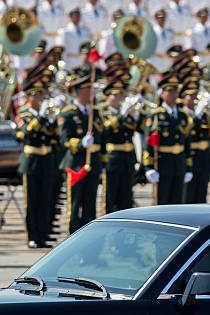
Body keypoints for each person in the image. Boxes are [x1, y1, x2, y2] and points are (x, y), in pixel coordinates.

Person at [58, 67, 103, 233]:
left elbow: (102, 137)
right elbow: (64, 140)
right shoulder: (69, 113)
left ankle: (89, 235)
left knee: (90, 202)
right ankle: (73, 234)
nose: (90, 93)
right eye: (86, 90)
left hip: (93, 163)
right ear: (78, 92)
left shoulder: (95, 113)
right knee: (75, 203)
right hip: (76, 164)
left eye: (91, 89)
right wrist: (80, 143)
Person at [15, 75, 55, 248]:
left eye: (41, 95)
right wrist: (40, 117)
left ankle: (43, 234)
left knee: (45, 198)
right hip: (30, 160)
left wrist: (50, 120)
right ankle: (32, 235)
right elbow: (24, 134)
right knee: (32, 200)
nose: (39, 99)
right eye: (36, 96)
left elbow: (52, 136)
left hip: (45, 159)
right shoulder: (23, 113)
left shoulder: (44, 114)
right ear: (30, 96)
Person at [143, 72, 193, 205]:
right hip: (163, 163)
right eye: (170, 91)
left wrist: (188, 167)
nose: (174, 94)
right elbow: (148, 143)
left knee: (177, 202)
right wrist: (149, 167)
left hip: (179, 163)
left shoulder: (183, 115)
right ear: (162, 93)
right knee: (162, 201)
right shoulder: (156, 116)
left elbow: (187, 143)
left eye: (176, 90)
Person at [100, 74, 139, 213]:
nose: (119, 98)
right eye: (115, 95)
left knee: (126, 195)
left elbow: (134, 129)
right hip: (113, 158)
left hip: (127, 158)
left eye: (121, 95)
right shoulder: (102, 111)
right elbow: (106, 130)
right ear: (107, 96)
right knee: (110, 195)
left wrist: (133, 115)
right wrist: (120, 116)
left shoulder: (126, 113)